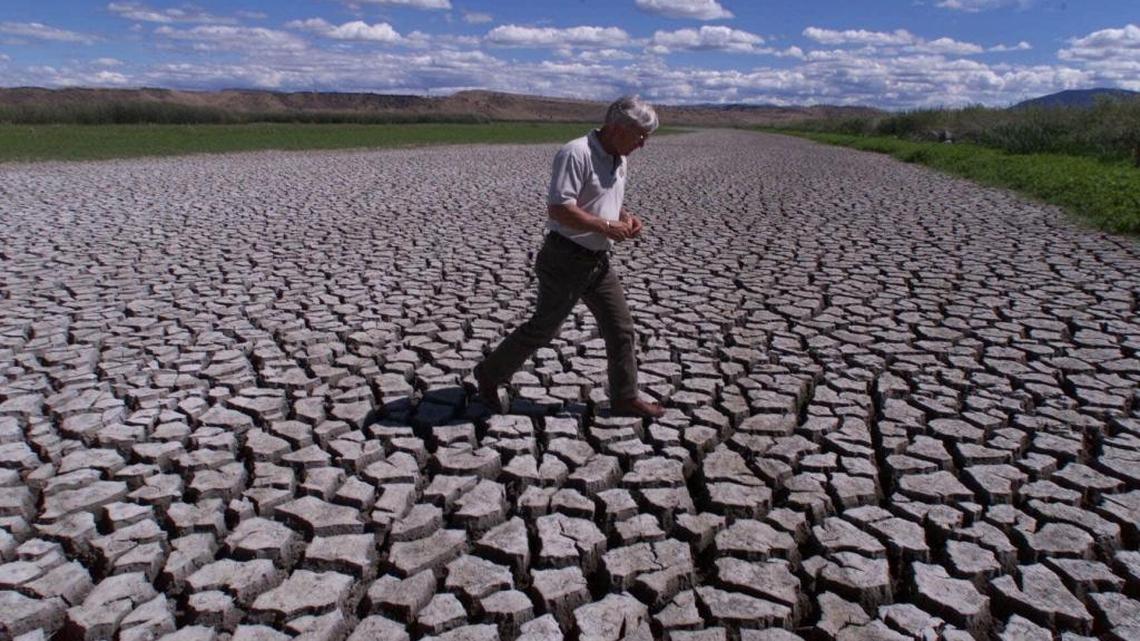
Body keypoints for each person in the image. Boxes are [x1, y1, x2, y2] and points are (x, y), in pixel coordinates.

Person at [473, 95, 665, 419]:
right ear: (617, 128)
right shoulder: (576, 153)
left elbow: (604, 201)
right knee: (542, 330)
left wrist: (626, 217)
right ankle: (489, 375)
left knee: (621, 329)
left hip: (597, 262)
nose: (643, 144)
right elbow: (560, 208)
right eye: (640, 136)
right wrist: (605, 225)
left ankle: (625, 397)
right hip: (564, 259)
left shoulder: (619, 157)